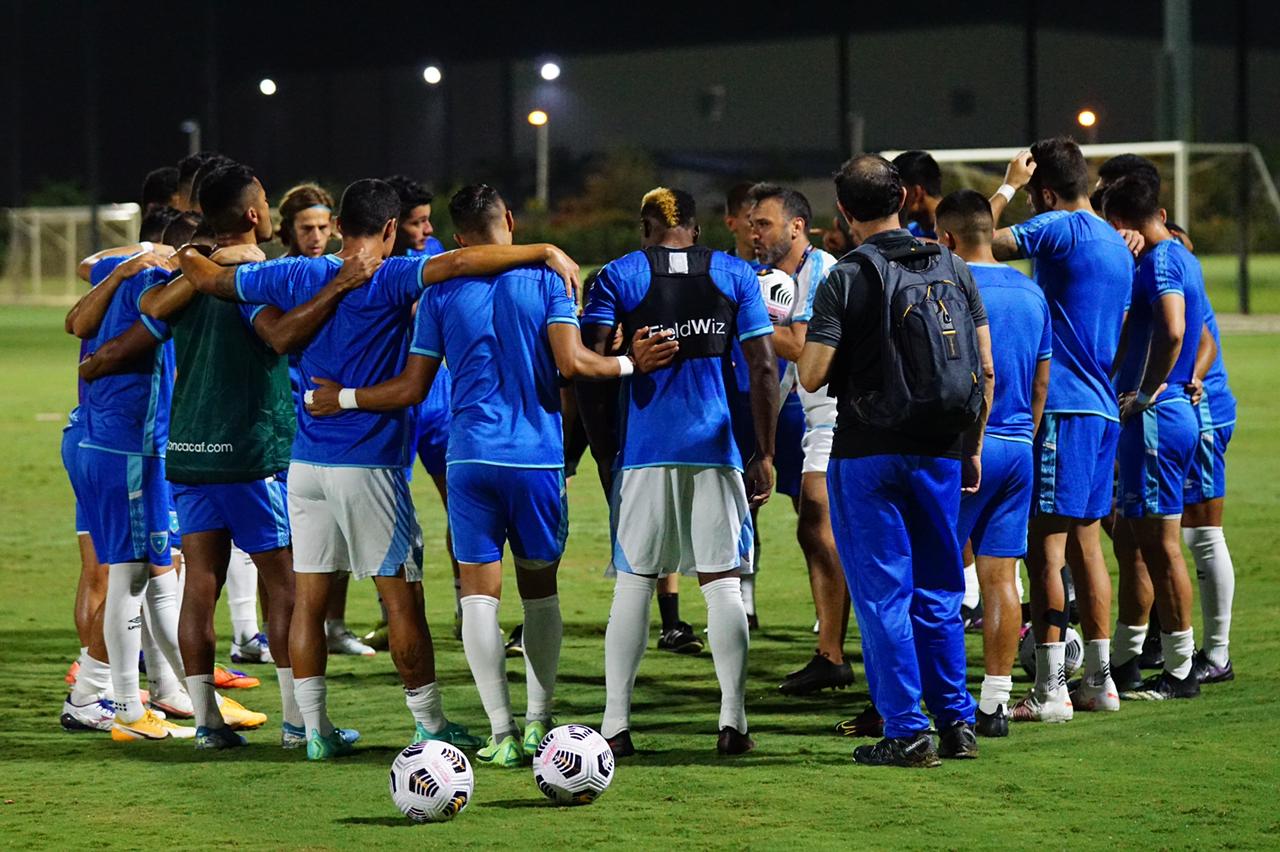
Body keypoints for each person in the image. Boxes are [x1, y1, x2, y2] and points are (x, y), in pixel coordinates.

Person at [181, 176, 584, 760]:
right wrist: (543, 250)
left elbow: (213, 281)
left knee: (309, 597)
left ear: (339, 225)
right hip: (369, 464)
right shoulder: (393, 274)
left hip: (306, 463)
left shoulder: (295, 272)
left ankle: (313, 730)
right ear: (393, 229)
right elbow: (463, 261)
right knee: (402, 600)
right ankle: (430, 725)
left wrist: (185, 251)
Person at [308, 184, 675, 766]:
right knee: (540, 593)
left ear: (457, 239)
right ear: (509, 218)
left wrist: (344, 398)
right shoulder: (548, 279)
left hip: (470, 458)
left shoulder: (440, 291)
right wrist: (633, 361)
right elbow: (572, 365)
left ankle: (500, 733)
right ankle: (538, 722)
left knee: (478, 599)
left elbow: (411, 389)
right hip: (533, 457)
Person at [799, 155, 992, 768]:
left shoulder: (845, 276)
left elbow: (810, 375)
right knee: (939, 588)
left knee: (883, 593)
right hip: (940, 446)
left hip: (868, 452)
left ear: (843, 212)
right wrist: (972, 447)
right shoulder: (954, 265)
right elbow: (983, 367)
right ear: (907, 198)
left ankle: (907, 730)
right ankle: (957, 721)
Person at [582, 187, 779, 758]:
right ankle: (733, 723)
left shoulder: (617, 276)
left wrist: (604, 452)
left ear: (646, 229)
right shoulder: (736, 275)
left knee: (635, 583)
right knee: (721, 583)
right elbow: (763, 368)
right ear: (694, 229)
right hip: (714, 451)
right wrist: (762, 451)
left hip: (643, 450)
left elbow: (590, 369)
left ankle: (615, 725)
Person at [989, 137, 1133, 720]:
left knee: (1043, 552)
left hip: (1066, 409)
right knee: (1089, 547)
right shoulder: (1116, 244)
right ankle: (1099, 683)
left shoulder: (1060, 228)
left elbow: (974, 241)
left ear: (1045, 191)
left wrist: (1004, 187)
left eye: (1033, 194)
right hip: (1102, 408)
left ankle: (1050, 692)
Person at [68, 220, 195, 742]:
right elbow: (113, 339)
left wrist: (128, 258)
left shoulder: (116, 271)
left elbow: (78, 315)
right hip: (130, 448)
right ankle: (119, 702)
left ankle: (170, 690)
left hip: (91, 438)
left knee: (133, 570)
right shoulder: (164, 287)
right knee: (131, 575)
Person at [938, 189, 1052, 736]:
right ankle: (995, 703)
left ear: (949, 239)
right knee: (1002, 577)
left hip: (967, 450)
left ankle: (934, 699)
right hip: (1018, 447)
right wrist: (1023, 436)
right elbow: (1041, 381)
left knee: (936, 576)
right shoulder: (1031, 291)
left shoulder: (950, 288)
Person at [1104, 175, 1209, 701]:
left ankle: (1181, 669)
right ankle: (1124, 659)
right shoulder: (1181, 256)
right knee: (1130, 541)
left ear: (1120, 223)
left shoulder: (1162, 263)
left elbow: (1172, 330)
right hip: (1156, 419)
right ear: (1160, 212)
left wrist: (1145, 392)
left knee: (1161, 547)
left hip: (1156, 420)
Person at [746, 182, 852, 695]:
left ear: (796, 226)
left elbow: (802, 346)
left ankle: (838, 652)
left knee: (819, 520)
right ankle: (829, 652)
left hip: (840, 415)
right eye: (750, 224)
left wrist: (745, 323)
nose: (754, 233)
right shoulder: (777, 279)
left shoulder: (823, 271)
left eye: (763, 223)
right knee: (813, 528)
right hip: (815, 418)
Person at [893, 150, 943, 239]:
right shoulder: (909, 233)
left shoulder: (961, 231)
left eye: (898, 192)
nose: (893, 198)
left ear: (916, 193)